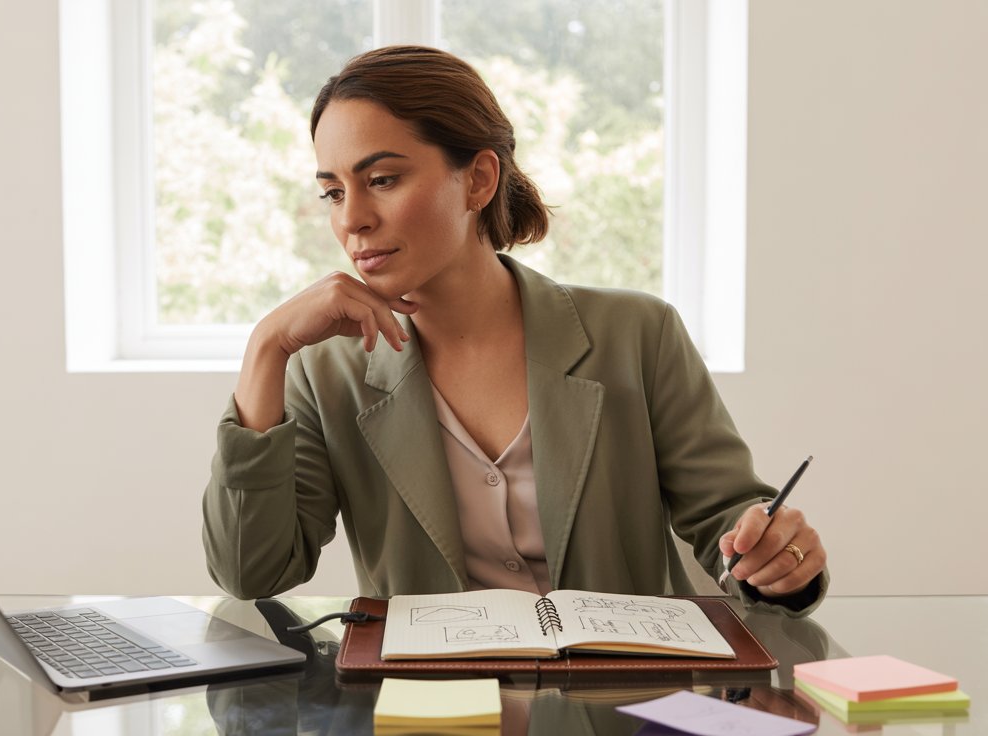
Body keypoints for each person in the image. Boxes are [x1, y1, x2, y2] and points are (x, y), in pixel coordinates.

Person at [203, 45, 828, 616]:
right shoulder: (324, 371)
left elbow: (731, 527)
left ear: (478, 178)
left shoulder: (639, 333)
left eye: (383, 180)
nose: (354, 220)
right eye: (333, 193)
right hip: (429, 707)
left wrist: (774, 561)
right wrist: (266, 349)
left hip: (622, 704)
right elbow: (249, 571)